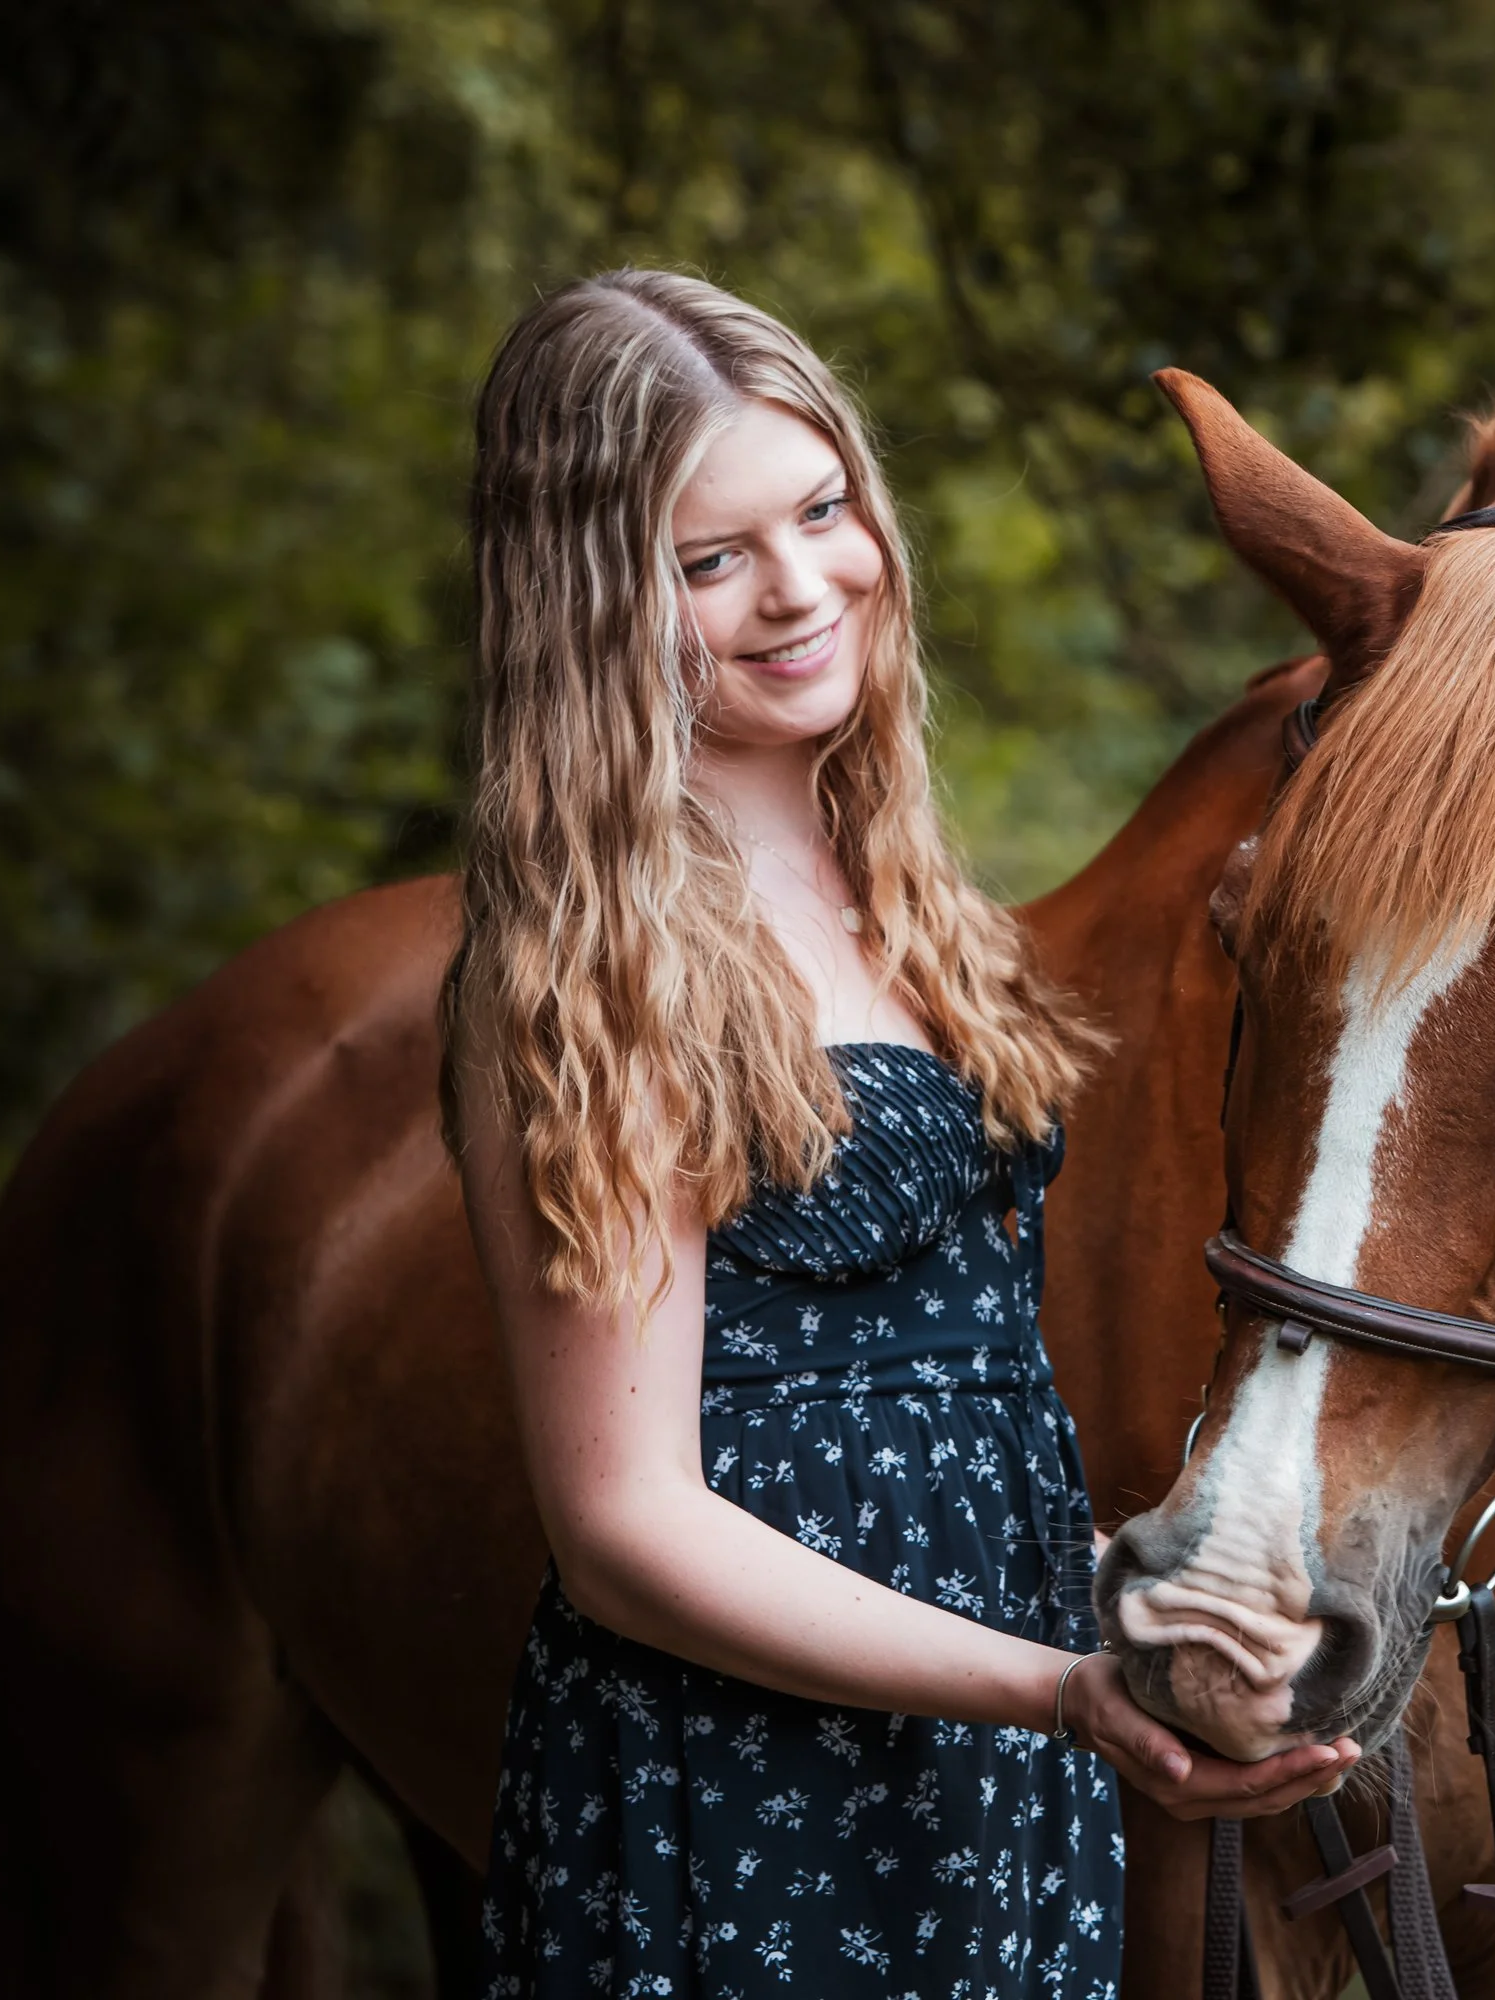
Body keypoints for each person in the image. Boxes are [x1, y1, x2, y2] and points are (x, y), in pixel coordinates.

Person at [445, 269, 1359, 2000]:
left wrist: (1145, 1617)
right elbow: (624, 1529)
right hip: (739, 1806)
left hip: (983, 1779)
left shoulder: (910, 906)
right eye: (710, 560)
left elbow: (935, 1426)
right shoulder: (590, 968)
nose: (802, 586)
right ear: (592, 605)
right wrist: (1051, 1684)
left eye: (821, 509)